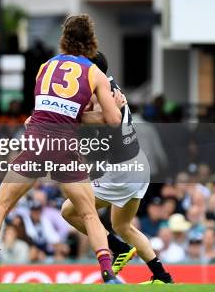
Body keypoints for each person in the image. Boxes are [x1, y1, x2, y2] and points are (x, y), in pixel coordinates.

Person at [0, 14, 124, 284]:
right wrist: (116, 105)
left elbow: (41, 112)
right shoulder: (94, 73)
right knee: (89, 213)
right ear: (91, 40)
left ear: (63, 39)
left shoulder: (45, 66)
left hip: (35, 141)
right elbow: (112, 121)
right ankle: (107, 270)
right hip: (64, 144)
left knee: (1, 205)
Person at [60, 51, 174, 284]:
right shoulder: (110, 87)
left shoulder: (99, 92)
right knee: (122, 225)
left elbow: (92, 121)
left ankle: (118, 249)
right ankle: (162, 276)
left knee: (68, 210)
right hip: (137, 164)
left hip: (121, 170)